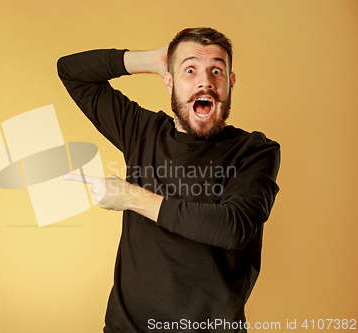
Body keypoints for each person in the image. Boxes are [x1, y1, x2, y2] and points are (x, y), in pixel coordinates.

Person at [58, 27, 280, 333]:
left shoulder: (254, 151)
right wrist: (149, 60)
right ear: (169, 82)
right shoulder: (141, 131)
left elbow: (234, 227)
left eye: (217, 70)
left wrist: (131, 197)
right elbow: (71, 71)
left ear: (229, 83)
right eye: (190, 70)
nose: (205, 81)